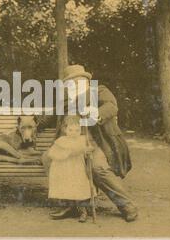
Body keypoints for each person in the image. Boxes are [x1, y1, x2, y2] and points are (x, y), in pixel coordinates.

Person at [38, 65, 138, 222]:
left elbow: (111, 106)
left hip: (93, 143)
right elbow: (48, 117)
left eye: (78, 81)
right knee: (48, 159)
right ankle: (69, 204)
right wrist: (30, 126)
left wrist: (96, 113)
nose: (75, 85)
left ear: (86, 80)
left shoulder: (99, 91)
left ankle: (126, 205)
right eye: (71, 83)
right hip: (69, 144)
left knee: (97, 167)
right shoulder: (65, 100)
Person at [44, 116, 95, 223]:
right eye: (70, 130)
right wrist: (74, 151)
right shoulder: (61, 141)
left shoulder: (82, 140)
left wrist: (88, 152)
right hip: (64, 170)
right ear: (64, 129)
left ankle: (83, 211)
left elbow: (86, 154)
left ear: (81, 130)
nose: (74, 133)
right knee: (66, 188)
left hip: (77, 169)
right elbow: (52, 154)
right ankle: (68, 208)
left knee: (79, 188)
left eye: (77, 130)